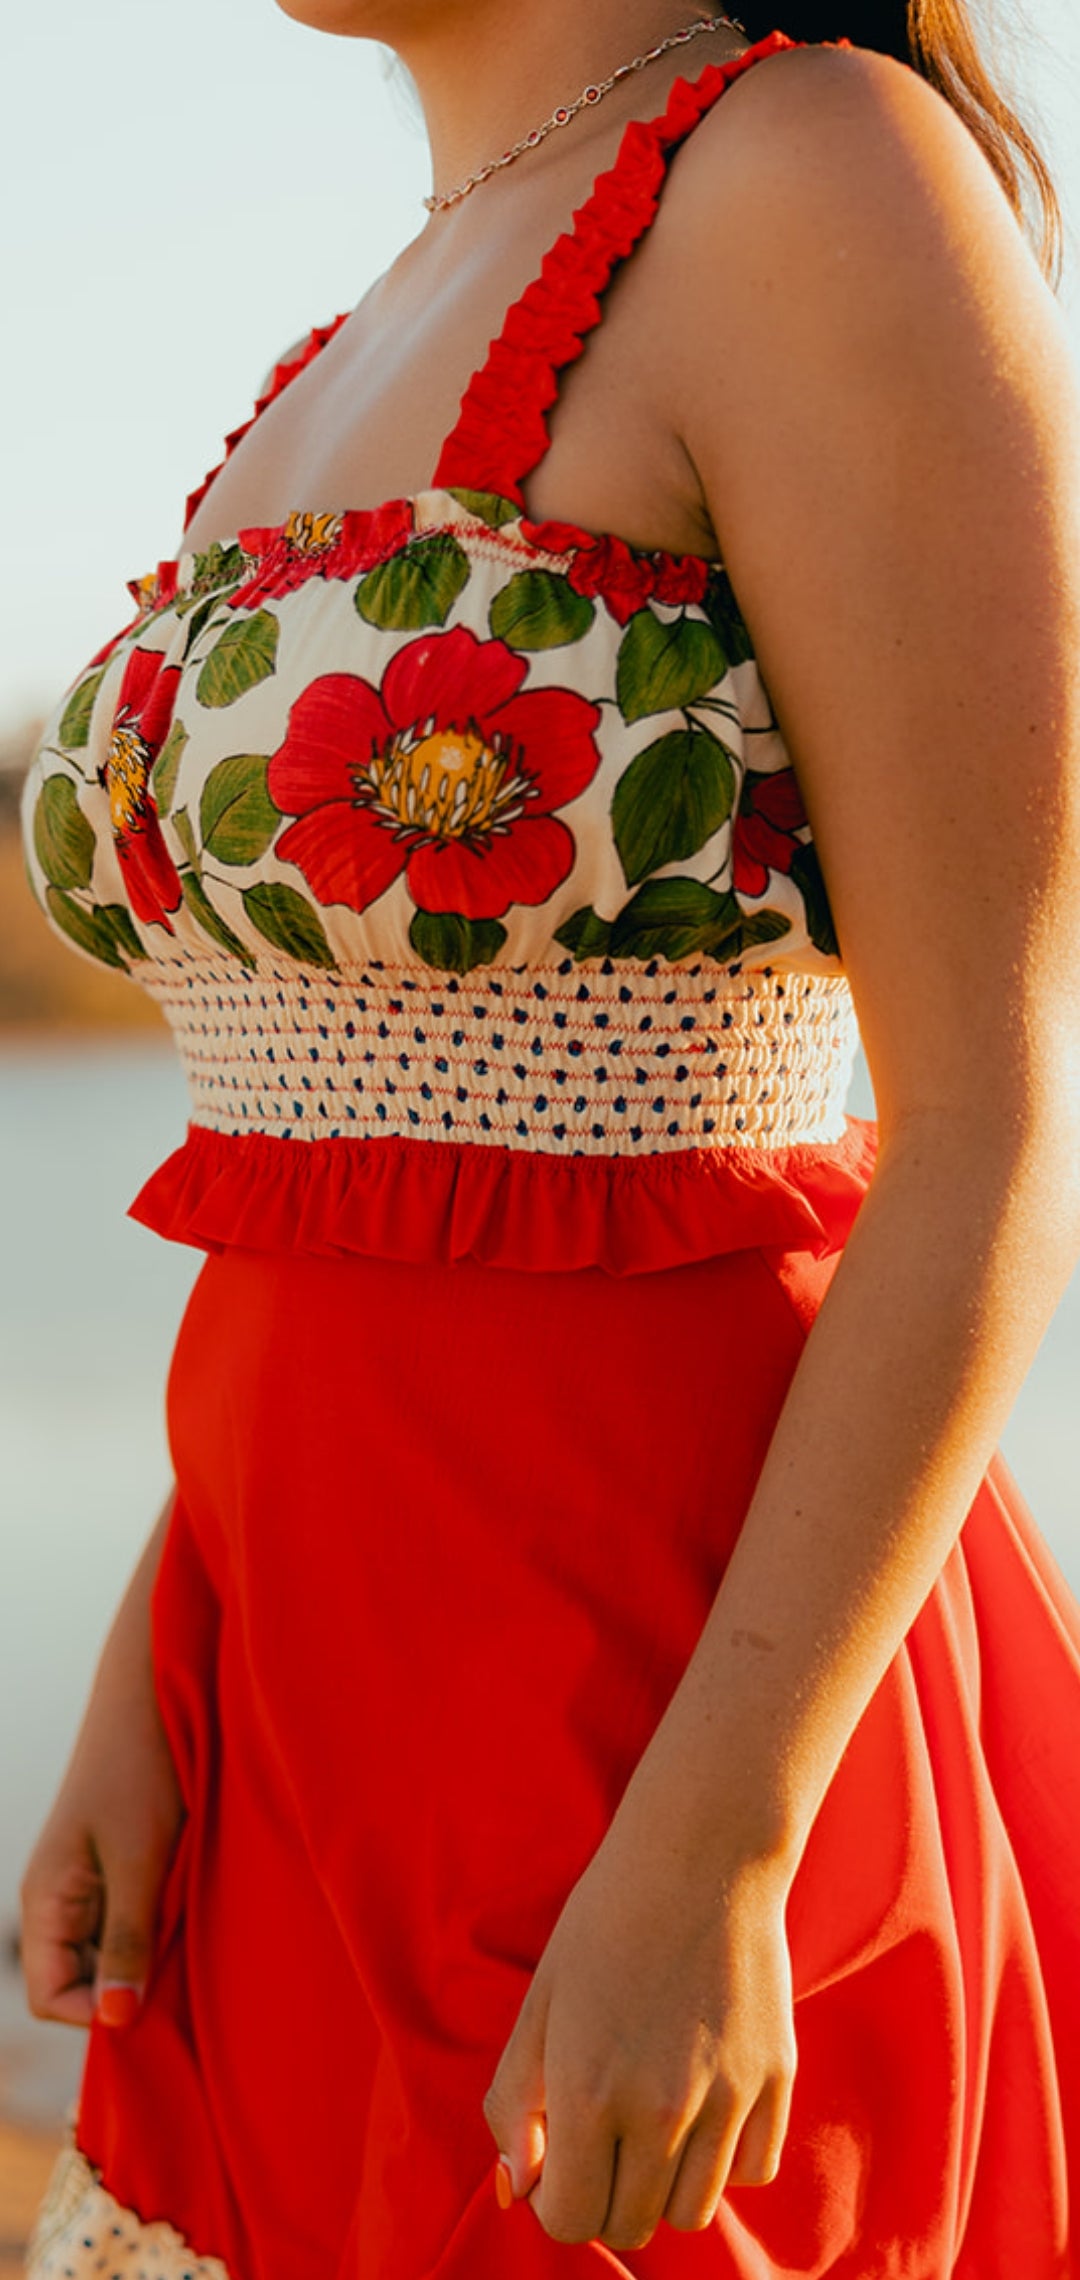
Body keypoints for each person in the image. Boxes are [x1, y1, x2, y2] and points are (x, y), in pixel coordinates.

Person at [17, 1, 1080, 2272]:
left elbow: (997, 1125)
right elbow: (342, 1155)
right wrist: (151, 1653)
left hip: (662, 1703)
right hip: (288, 1712)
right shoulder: (372, 310)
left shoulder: (818, 175)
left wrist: (717, 1850)